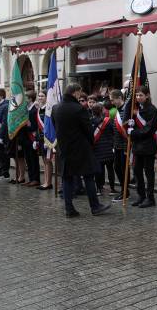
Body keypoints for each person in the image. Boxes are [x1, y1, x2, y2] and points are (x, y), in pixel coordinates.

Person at [52, 83, 110, 218]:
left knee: (67, 178)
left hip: (64, 148)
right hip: (81, 148)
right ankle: (95, 206)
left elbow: (56, 127)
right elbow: (88, 130)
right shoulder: (79, 109)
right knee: (89, 176)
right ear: (75, 93)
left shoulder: (56, 108)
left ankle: (69, 209)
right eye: (79, 92)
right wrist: (90, 143)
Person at [127, 86, 157, 208]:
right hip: (137, 146)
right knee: (137, 172)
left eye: (141, 95)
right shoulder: (135, 109)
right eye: (137, 95)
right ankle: (141, 196)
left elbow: (149, 129)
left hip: (148, 146)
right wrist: (131, 125)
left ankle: (150, 198)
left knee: (149, 173)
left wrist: (133, 132)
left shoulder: (152, 110)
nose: (138, 97)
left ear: (147, 95)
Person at [90, 103, 116, 194]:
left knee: (98, 171)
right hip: (108, 149)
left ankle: (98, 189)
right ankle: (112, 189)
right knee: (110, 170)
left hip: (97, 150)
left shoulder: (90, 122)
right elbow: (113, 133)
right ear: (102, 111)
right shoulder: (109, 121)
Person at [109, 90, 129, 202]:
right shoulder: (116, 111)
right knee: (117, 167)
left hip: (125, 145)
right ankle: (123, 189)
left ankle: (125, 191)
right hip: (117, 145)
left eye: (113, 100)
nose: (112, 102)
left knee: (123, 169)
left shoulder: (126, 110)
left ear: (120, 98)